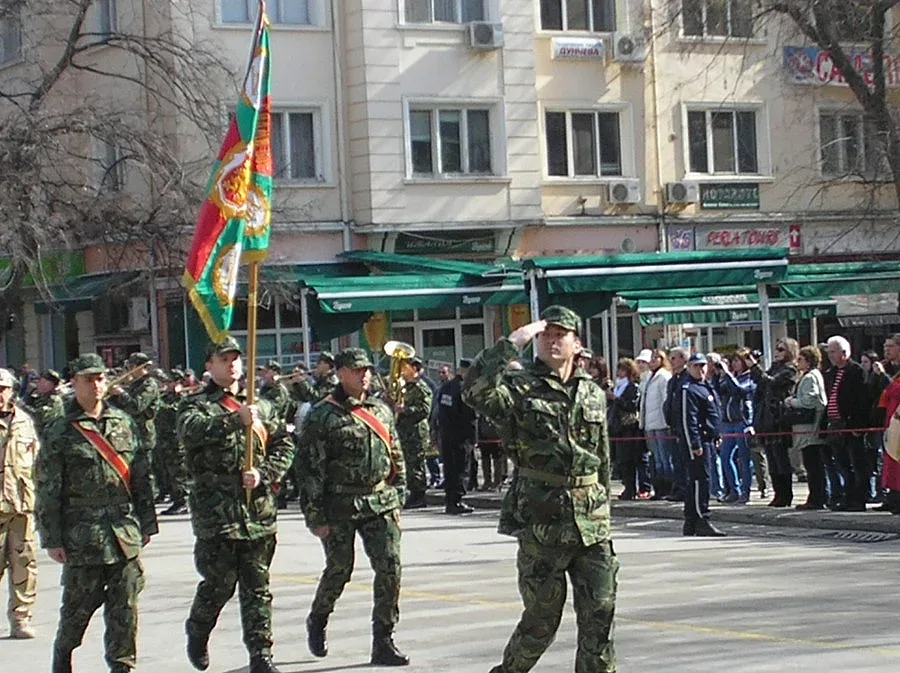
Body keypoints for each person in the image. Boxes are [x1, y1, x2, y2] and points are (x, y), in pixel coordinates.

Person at [462, 305, 618, 673]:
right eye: (546, 334)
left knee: (600, 615)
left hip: (591, 522)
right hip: (541, 519)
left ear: (576, 343)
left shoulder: (592, 392)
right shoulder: (519, 388)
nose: (551, 340)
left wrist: (606, 510)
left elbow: (602, 457)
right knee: (541, 621)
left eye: (560, 334)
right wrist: (512, 342)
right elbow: (474, 390)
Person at [177, 337, 296, 673]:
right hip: (218, 512)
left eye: (236, 358)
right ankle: (198, 630)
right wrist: (234, 420)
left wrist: (265, 473)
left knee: (258, 587)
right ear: (209, 365)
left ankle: (261, 654)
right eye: (223, 359)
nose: (231, 364)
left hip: (257, 510)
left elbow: (284, 445)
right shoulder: (195, 405)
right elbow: (189, 432)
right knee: (219, 584)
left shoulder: (263, 406)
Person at [36, 353, 158, 673]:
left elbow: (141, 475)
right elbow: (48, 487)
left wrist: (147, 522)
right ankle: (64, 654)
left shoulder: (123, 422)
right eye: (89, 379)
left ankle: (122, 665)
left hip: (123, 532)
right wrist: (52, 537)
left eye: (101, 378)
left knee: (125, 608)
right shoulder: (61, 430)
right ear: (74, 383)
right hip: (82, 534)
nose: (97, 384)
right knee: (78, 609)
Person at [298, 348, 409, 667]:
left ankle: (383, 639)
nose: (365, 375)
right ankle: (318, 618)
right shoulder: (323, 415)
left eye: (368, 370)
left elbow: (395, 454)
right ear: (340, 373)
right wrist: (315, 516)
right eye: (357, 370)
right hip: (339, 504)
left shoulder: (381, 410)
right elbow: (309, 469)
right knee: (339, 569)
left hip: (379, 502)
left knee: (390, 568)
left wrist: (398, 494)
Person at [0, 368, 40, 639]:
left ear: (11, 391)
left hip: (21, 504)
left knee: (24, 563)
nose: (0, 394)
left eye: (3, 389)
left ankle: (20, 618)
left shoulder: (24, 421)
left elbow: (35, 459)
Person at [678, 353, 726, 537]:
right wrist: (694, 443)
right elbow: (687, 419)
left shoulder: (705, 386)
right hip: (697, 441)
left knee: (698, 480)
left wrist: (717, 434)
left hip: (707, 439)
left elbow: (713, 413)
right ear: (689, 367)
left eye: (703, 365)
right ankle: (701, 518)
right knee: (700, 480)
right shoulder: (688, 389)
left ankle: (691, 521)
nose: (701, 369)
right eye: (697, 366)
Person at [748, 339, 799, 507]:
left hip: (778, 418)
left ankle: (786, 494)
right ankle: (778, 493)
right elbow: (760, 385)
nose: (777, 352)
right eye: (776, 349)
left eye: (781, 349)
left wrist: (755, 367)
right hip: (766, 419)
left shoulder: (790, 370)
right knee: (771, 458)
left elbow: (772, 382)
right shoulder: (773, 367)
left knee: (780, 458)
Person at [823, 336, 869, 512]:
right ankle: (847, 496)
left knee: (857, 463)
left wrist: (858, 425)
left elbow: (862, 401)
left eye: (833, 352)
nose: (830, 356)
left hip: (851, 425)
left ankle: (859, 499)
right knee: (842, 463)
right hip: (835, 425)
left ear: (844, 352)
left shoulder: (855, 371)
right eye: (829, 352)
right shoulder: (832, 373)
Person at [785, 346, 828, 510]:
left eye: (801, 359)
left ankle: (817, 497)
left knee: (813, 464)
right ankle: (816, 496)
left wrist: (791, 402)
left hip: (810, 427)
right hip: (807, 428)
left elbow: (809, 401)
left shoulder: (810, 377)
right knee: (813, 464)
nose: (798, 363)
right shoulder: (808, 376)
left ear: (809, 361)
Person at [712, 349, 756, 504]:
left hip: (742, 422)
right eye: (734, 361)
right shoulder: (732, 378)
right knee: (725, 457)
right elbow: (718, 391)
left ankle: (746, 492)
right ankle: (733, 490)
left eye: (738, 360)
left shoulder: (749, 378)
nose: (735, 364)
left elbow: (740, 390)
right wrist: (717, 375)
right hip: (728, 423)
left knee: (744, 459)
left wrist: (728, 375)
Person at [435, 360, 476, 513]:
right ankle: (457, 500)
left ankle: (449, 500)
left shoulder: (446, 387)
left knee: (449, 468)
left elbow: (442, 410)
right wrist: (473, 438)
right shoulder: (465, 389)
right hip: (461, 435)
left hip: (446, 434)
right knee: (461, 468)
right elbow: (470, 415)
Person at [610, 358, 649, 500]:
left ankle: (632, 488)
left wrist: (616, 399)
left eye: (623, 370)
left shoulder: (632, 387)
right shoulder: (617, 386)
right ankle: (627, 486)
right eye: (619, 370)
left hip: (629, 427)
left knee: (629, 459)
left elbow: (632, 406)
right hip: (618, 427)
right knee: (621, 460)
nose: (619, 373)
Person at [641, 349, 674, 499]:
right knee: (655, 458)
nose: (652, 361)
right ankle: (659, 488)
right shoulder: (647, 377)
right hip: (649, 424)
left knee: (664, 458)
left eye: (657, 358)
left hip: (661, 423)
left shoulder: (664, 377)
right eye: (652, 358)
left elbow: (665, 400)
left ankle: (669, 488)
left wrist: (667, 421)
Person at [22, 369, 65, 439]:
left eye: (41, 381)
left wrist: (23, 406)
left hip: (51, 438)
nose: (38, 384)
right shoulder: (40, 397)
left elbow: (39, 417)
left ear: (48, 384)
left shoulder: (54, 399)